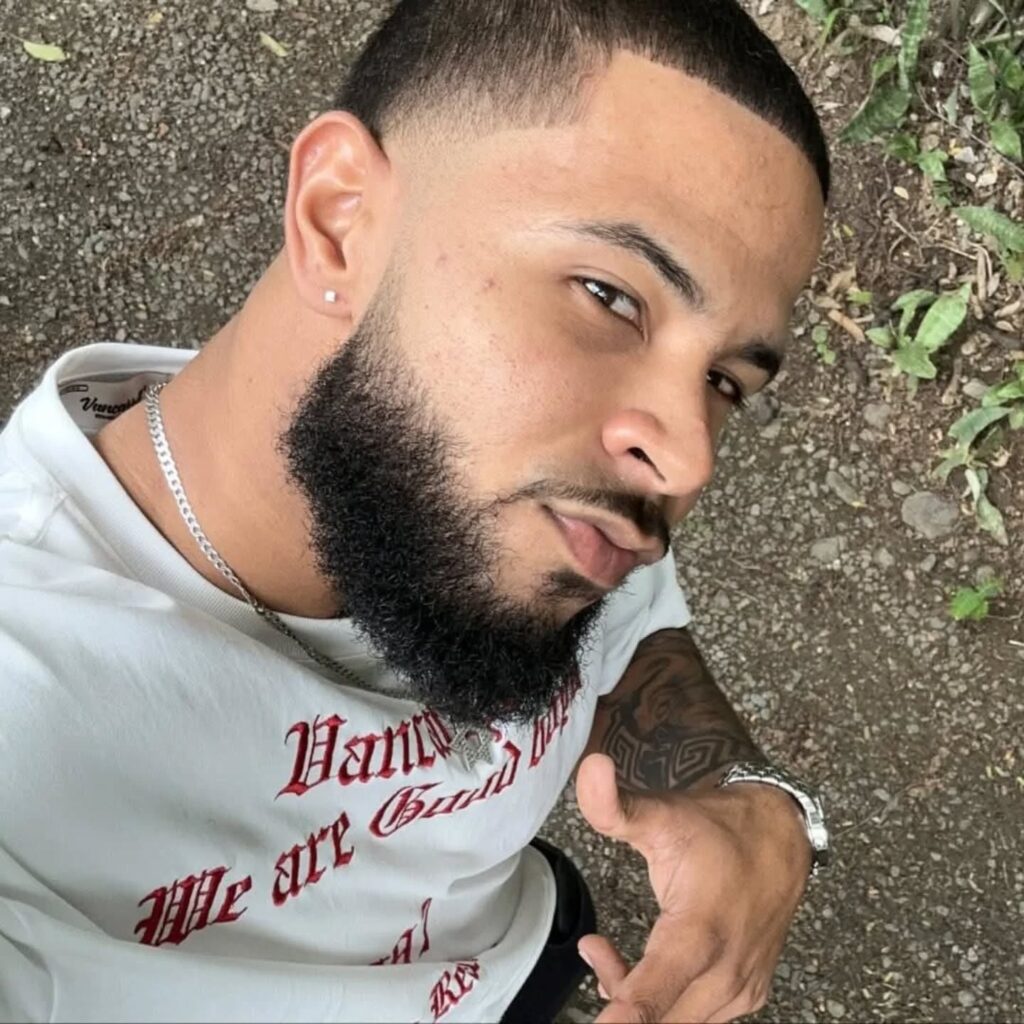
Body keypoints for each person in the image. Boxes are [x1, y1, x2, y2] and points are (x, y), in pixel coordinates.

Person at [0, 1, 833, 1021]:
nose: (686, 455)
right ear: (338, 219)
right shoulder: (28, 705)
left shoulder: (501, 487)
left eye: (725, 380)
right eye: (610, 297)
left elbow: (632, 645)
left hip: (521, 952)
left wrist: (754, 802)